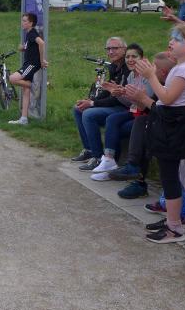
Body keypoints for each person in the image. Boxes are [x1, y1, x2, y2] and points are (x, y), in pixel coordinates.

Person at [135, 23, 185, 243]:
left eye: (177, 39)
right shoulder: (181, 67)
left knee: (170, 177)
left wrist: (151, 76)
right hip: (169, 124)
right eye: (172, 38)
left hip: (173, 126)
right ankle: (171, 220)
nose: (171, 42)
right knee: (168, 177)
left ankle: (175, 228)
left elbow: (166, 98)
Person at [109, 52, 175, 198]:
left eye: (154, 67)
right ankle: (135, 173)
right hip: (157, 124)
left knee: (143, 126)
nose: (151, 69)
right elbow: (146, 109)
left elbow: (164, 112)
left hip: (173, 129)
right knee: (142, 123)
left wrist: (143, 99)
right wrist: (133, 97)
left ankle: (136, 173)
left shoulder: (170, 86)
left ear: (163, 72)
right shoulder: (160, 83)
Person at [69, 37, 129, 171]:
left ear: (124, 50)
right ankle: (89, 150)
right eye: (108, 49)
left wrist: (92, 103)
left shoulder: (128, 67)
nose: (111, 52)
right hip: (115, 104)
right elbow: (108, 91)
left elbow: (116, 97)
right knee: (78, 109)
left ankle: (97, 157)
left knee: (89, 114)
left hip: (126, 107)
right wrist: (90, 100)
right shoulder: (114, 66)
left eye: (115, 48)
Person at [90, 43, 144, 180]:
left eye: (134, 57)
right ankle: (107, 160)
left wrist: (122, 93)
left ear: (142, 59)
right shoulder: (131, 75)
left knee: (114, 125)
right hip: (134, 111)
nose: (130, 60)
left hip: (144, 114)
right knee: (112, 119)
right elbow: (130, 103)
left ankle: (112, 164)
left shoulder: (146, 76)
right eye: (128, 57)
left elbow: (144, 104)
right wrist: (117, 93)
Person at [8, 13, 48, 125]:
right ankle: (24, 118)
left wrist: (42, 61)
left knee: (12, 78)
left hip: (31, 65)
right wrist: (23, 48)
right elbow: (31, 47)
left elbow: (41, 43)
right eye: (22, 20)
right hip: (28, 64)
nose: (23, 23)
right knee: (25, 90)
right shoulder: (29, 33)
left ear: (31, 23)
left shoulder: (32, 33)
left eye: (25, 21)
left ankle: (32, 85)